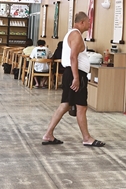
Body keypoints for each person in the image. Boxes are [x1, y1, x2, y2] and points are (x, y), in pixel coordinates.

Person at [43, 12, 104, 147]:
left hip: (72, 73)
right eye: (88, 22)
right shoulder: (76, 35)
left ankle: (48, 134)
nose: (90, 24)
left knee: (66, 104)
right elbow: (73, 57)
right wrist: (76, 78)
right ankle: (86, 138)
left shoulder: (72, 34)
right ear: (82, 22)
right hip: (75, 74)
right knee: (81, 107)